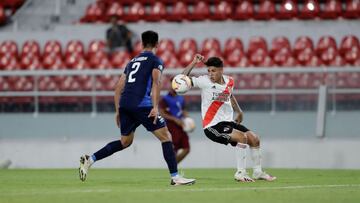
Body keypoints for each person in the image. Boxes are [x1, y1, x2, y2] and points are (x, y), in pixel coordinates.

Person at [79, 30, 195, 186]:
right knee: (166, 137)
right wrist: (154, 107)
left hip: (125, 104)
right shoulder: (156, 60)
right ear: (157, 44)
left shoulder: (131, 62)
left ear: (141, 44)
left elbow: (118, 88)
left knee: (125, 142)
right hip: (142, 104)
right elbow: (156, 83)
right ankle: (175, 178)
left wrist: (117, 111)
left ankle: (90, 159)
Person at [182, 54, 276, 182]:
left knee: (254, 139)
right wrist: (193, 62)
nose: (210, 74)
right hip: (212, 126)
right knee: (242, 138)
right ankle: (240, 173)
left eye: (213, 71)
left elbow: (229, 95)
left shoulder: (230, 81)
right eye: (208, 71)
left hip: (228, 122)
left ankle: (258, 172)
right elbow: (182, 78)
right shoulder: (204, 81)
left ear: (221, 70)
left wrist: (239, 111)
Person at [159, 84, 191, 164]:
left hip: (181, 126)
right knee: (174, 149)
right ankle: (173, 169)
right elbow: (162, 113)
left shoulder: (181, 98)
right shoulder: (165, 99)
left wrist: (188, 119)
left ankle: (174, 165)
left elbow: (183, 110)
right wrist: (174, 119)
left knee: (186, 148)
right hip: (171, 126)